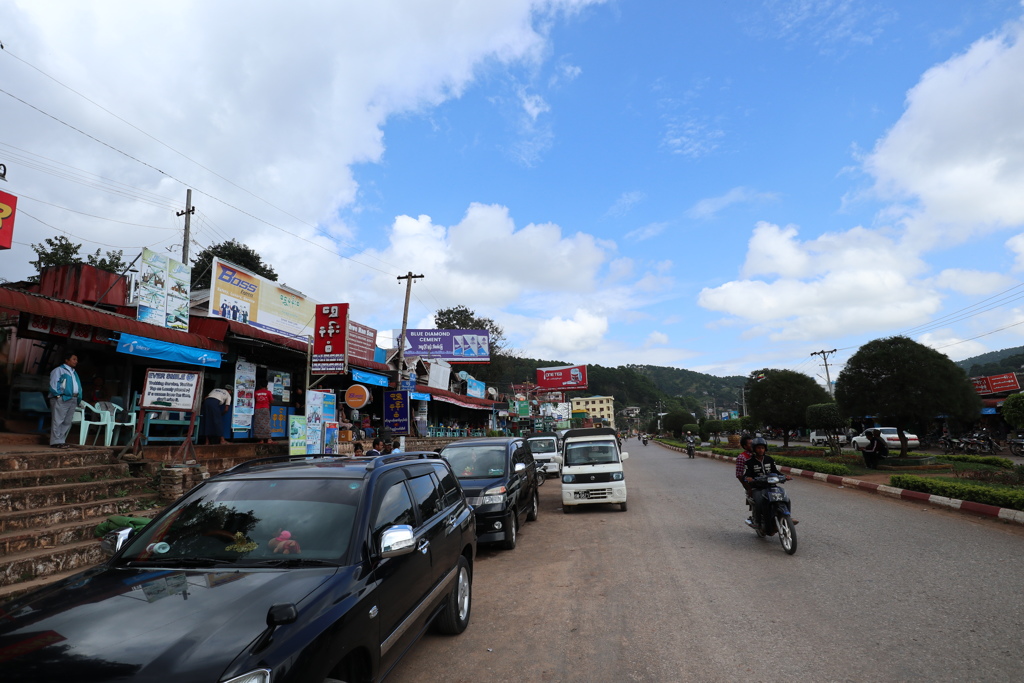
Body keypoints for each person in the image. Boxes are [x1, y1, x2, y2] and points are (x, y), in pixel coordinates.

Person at [743, 437, 784, 528]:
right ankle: (757, 521)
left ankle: (787, 515)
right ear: (754, 449)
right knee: (759, 501)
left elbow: (776, 471)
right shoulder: (749, 462)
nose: (761, 450)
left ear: (765, 449)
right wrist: (749, 478)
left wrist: (784, 476)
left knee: (784, 496)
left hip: (771, 485)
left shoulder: (769, 459)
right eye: (758, 448)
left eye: (762, 448)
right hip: (757, 488)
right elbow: (746, 475)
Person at [48, 352, 83, 449]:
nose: (76, 361)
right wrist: (58, 396)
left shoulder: (73, 372)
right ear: (66, 360)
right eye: (74, 359)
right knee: (58, 420)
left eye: (76, 359)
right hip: (63, 397)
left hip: (73, 398)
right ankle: (55, 442)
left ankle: (61, 441)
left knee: (67, 421)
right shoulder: (59, 370)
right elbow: (54, 384)